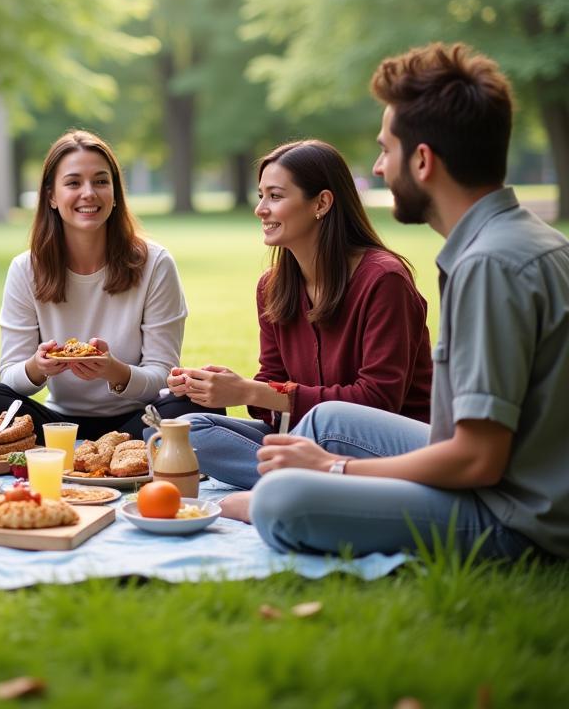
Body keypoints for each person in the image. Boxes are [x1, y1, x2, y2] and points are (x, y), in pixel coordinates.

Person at [233, 43, 569, 561]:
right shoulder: (517, 241)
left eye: (386, 150)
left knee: (281, 498)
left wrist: (333, 470)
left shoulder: (489, 266)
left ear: (423, 160)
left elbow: (478, 461)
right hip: (500, 474)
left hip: (514, 517)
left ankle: (280, 495)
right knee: (328, 421)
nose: (378, 166)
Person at [172, 140, 433, 489]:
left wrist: (253, 393)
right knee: (188, 432)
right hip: (308, 438)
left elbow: (378, 401)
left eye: (275, 196)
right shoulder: (273, 287)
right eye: (261, 195)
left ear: (321, 203)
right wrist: (229, 387)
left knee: (330, 418)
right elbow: (273, 388)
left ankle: (312, 485)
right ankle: (312, 483)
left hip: (385, 448)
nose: (260, 209)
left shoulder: (383, 280)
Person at [0, 129, 208, 441]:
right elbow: (10, 376)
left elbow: (163, 374)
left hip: (138, 416)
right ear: (52, 196)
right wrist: (38, 366)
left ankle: (110, 448)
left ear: (114, 192)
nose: (89, 193)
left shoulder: (155, 263)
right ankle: (100, 450)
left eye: (100, 181)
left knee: (197, 402)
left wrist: (114, 371)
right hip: (58, 422)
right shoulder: (26, 268)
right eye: (73, 183)